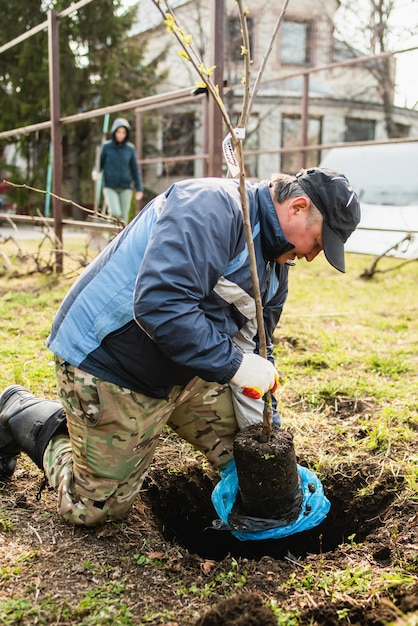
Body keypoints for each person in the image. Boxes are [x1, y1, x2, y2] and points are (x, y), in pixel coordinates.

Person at [0, 168, 360, 527]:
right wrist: (235, 365)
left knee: (247, 458)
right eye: (319, 242)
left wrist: (265, 435)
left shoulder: (274, 268)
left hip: (186, 369)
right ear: (298, 207)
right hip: (110, 362)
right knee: (94, 508)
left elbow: (256, 353)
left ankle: (130, 425)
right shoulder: (212, 208)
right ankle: (24, 412)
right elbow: (160, 303)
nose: (313, 256)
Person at [98, 117, 144, 223]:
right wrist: (95, 171)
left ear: (126, 134)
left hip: (125, 187)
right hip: (110, 186)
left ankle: (120, 239)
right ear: (114, 132)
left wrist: (139, 188)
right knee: (115, 212)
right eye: (118, 132)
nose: (120, 135)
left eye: (123, 132)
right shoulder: (106, 147)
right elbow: (99, 164)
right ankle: (112, 238)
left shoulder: (130, 149)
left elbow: (135, 169)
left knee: (123, 218)